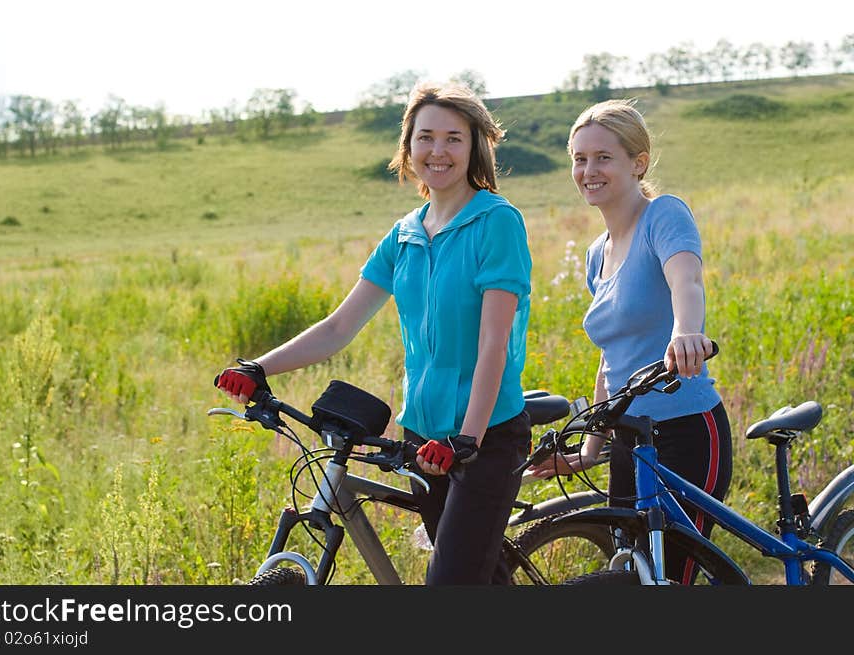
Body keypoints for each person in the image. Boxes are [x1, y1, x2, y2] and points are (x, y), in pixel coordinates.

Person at [215, 82, 533, 585]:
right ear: (408, 146)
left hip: (484, 436)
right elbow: (340, 326)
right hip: (422, 436)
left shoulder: (497, 223)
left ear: (474, 146)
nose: (438, 151)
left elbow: (494, 344)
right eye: (426, 137)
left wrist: (467, 439)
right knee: (480, 577)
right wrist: (259, 366)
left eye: (453, 138)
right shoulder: (404, 234)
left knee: (449, 583)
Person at [528, 98, 732, 585]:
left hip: (685, 429)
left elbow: (687, 280)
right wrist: (592, 448)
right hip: (628, 439)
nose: (588, 170)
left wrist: (686, 332)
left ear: (638, 163)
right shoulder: (597, 254)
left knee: (668, 577)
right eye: (579, 158)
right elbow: (611, 363)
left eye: (603, 157)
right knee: (632, 570)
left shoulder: (664, 215)